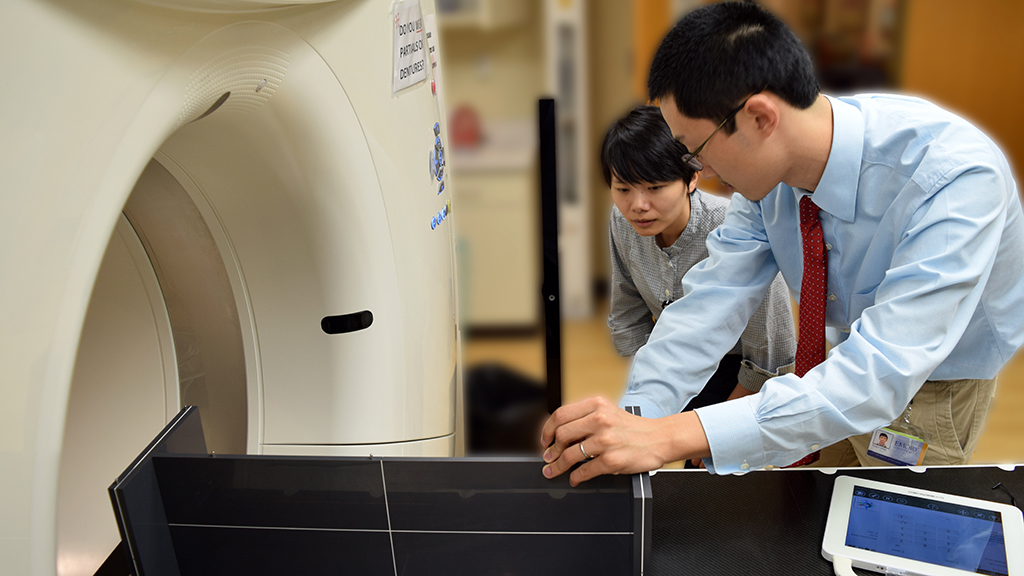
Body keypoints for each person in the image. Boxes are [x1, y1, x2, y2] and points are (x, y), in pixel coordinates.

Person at [540, 1, 1024, 485]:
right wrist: (636, 419)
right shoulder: (769, 180)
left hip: (934, 376)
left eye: (696, 151)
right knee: (824, 499)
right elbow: (708, 305)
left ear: (759, 118)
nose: (697, 173)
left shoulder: (951, 177)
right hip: (840, 357)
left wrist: (670, 436)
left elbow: (881, 372)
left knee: (886, 528)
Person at [601, 105, 795, 415]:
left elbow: (771, 352)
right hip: (670, 361)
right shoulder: (623, 222)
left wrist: (718, 423)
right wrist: (650, 391)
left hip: (740, 372)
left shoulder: (732, 228)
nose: (638, 205)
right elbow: (628, 314)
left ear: (692, 178)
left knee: (708, 461)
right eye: (623, 189)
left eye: (655, 187)